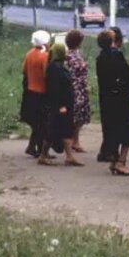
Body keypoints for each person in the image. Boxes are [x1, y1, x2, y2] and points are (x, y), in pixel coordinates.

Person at [95, 29, 129, 174]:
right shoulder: (116, 55)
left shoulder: (100, 57)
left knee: (111, 131)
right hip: (120, 98)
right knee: (126, 131)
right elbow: (125, 73)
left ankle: (113, 159)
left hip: (106, 98)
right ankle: (121, 162)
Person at [41, 38, 81, 166]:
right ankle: (43, 154)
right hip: (60, 105)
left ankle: (69, 156)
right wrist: (61, 105)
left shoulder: (56, 66)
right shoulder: (55, 69)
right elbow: (55, 89)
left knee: (65, 130)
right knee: (54, 129)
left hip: (65, 104)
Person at [20, 30, 49, 158]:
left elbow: (24, 70)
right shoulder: (45, 56)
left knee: (37, 123)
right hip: (42, 92)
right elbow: (46, 74)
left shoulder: (29, 54)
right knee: (42, 123)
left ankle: (32, 147)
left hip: (30, 91)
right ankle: (40, 149)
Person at [63, 29, 92, 152]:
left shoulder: (72, 54)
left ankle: (75, 140)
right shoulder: (72, 56)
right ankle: (73, 141)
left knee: (79, 116)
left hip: (79, 88)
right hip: (76, 89)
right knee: (76, 116)